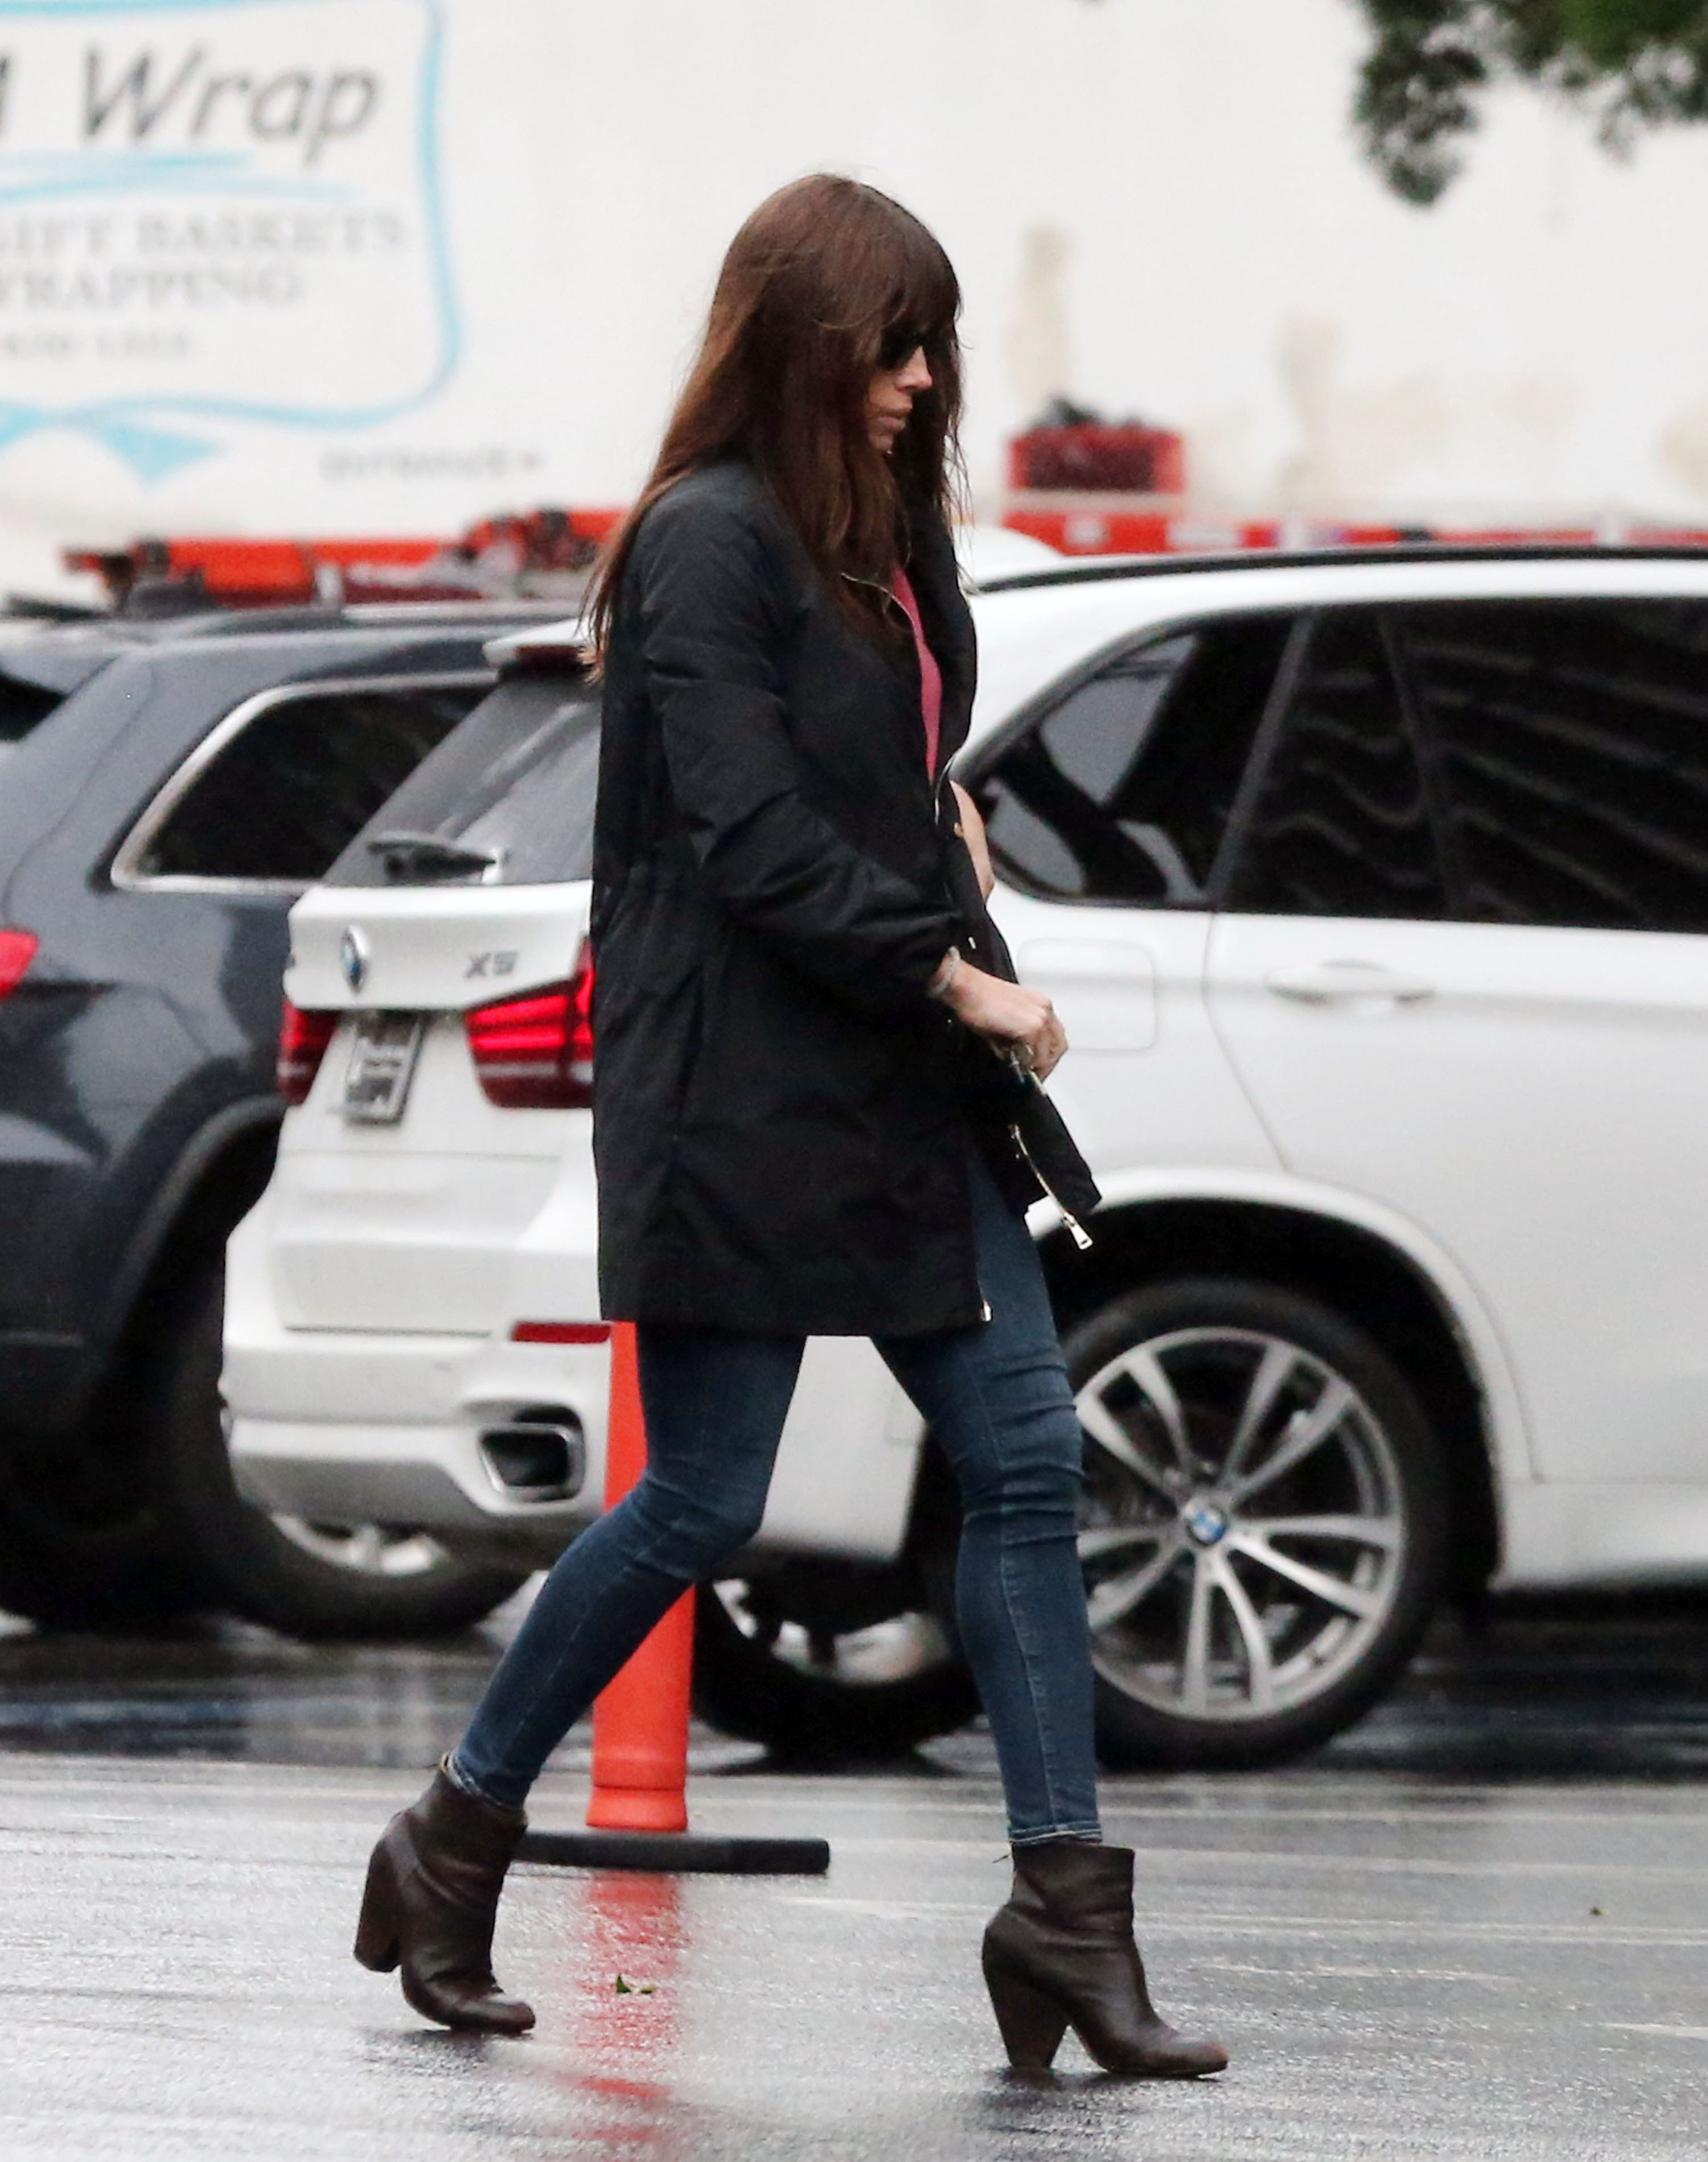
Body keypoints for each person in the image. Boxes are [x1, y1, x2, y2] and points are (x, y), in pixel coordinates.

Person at [353, 173, 1227, 2081]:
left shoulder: (893, 538)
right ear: (803, 345)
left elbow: (885, 766)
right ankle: (454, 1835)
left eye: (936, 347)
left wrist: (945, 834)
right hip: (742, 1089)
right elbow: (744, 836)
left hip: (899, 1090)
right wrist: (954, 973)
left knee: (1025, 1467)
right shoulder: (704, 539)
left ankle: (1066, 1918)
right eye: (892, 346)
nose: (923, 380)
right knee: (703, 1499)